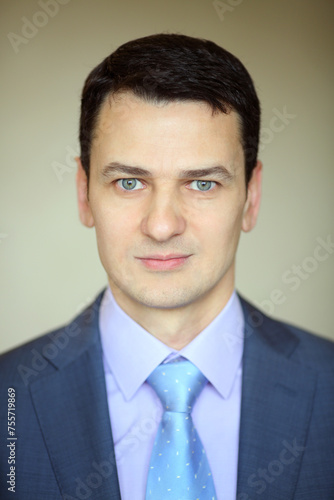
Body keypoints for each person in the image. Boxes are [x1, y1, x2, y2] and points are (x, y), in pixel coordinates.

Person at [0, 33, 333, 500]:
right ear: (83, 192)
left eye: (202, 184)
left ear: (251, 198)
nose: (161, 225)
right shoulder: (6, 399)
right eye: (129, 181)